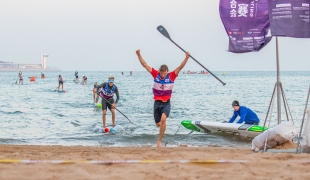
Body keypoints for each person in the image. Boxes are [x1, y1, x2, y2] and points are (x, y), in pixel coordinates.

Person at [136, 49, 190, 147]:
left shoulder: (172, 76)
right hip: (157, 103)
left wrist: (186, 58)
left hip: (166, 103)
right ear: (160, 71)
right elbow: (145, 65)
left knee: (164, 119)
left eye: (165, 73)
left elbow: (180, 66)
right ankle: (162, 130)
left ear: (167, 72)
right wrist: (139, 55)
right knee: (158, 124)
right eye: (162, 73)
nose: (163, 75)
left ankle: (159, 141)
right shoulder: (155, 74)